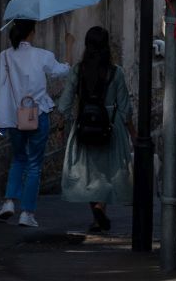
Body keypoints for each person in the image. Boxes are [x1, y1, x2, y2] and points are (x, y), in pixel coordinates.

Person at [0, 18, 68, 227]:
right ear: (31, 33)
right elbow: (62, 71)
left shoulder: (4, 56)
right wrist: (69, 47)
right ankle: (27, 213)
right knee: (34, 164)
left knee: (18, 159)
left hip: (13, 118)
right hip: (37, 114)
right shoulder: (42, 55)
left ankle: (8, 202)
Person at [55, 25, 132, 234]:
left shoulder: (78, 70)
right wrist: (131, 132)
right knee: (107, 172)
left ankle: (96, 212)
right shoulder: (116, 72)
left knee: (89, 173)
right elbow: (126, 108)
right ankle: (100, 209)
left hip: (84, 126)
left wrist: (61, 126)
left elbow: (65, 102)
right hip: (110, 127)